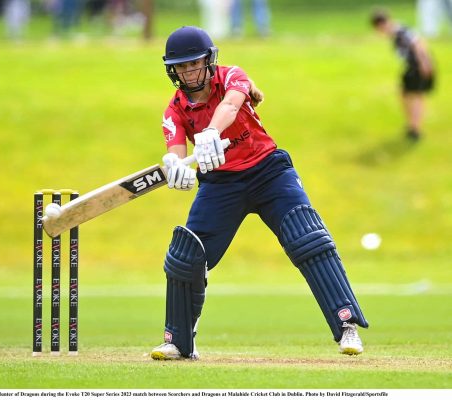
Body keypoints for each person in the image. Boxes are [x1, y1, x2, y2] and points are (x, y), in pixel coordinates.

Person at [150, 26, 368, 361]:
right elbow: (178, 154)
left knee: (307, 238)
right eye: (181, 67)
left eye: (194, 64)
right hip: (220, 184)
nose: (188, 72)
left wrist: (210, 131)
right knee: (186, 256)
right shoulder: (174, 110)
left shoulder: (232, 76)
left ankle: (347, 325)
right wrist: (178, 168)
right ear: (172, 70)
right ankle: (179, 341)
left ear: (209, 61)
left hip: (268, 171)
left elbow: (232, 105)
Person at [371, 10, 435, 141]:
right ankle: (411, 123)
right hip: (410, 67)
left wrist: (425, 63)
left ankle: (415, 130)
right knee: (404, 93)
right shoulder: (394, 33)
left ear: (383, 24)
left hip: (418, 66)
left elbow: (419, 44)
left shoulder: (402, 31)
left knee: (416, 96)